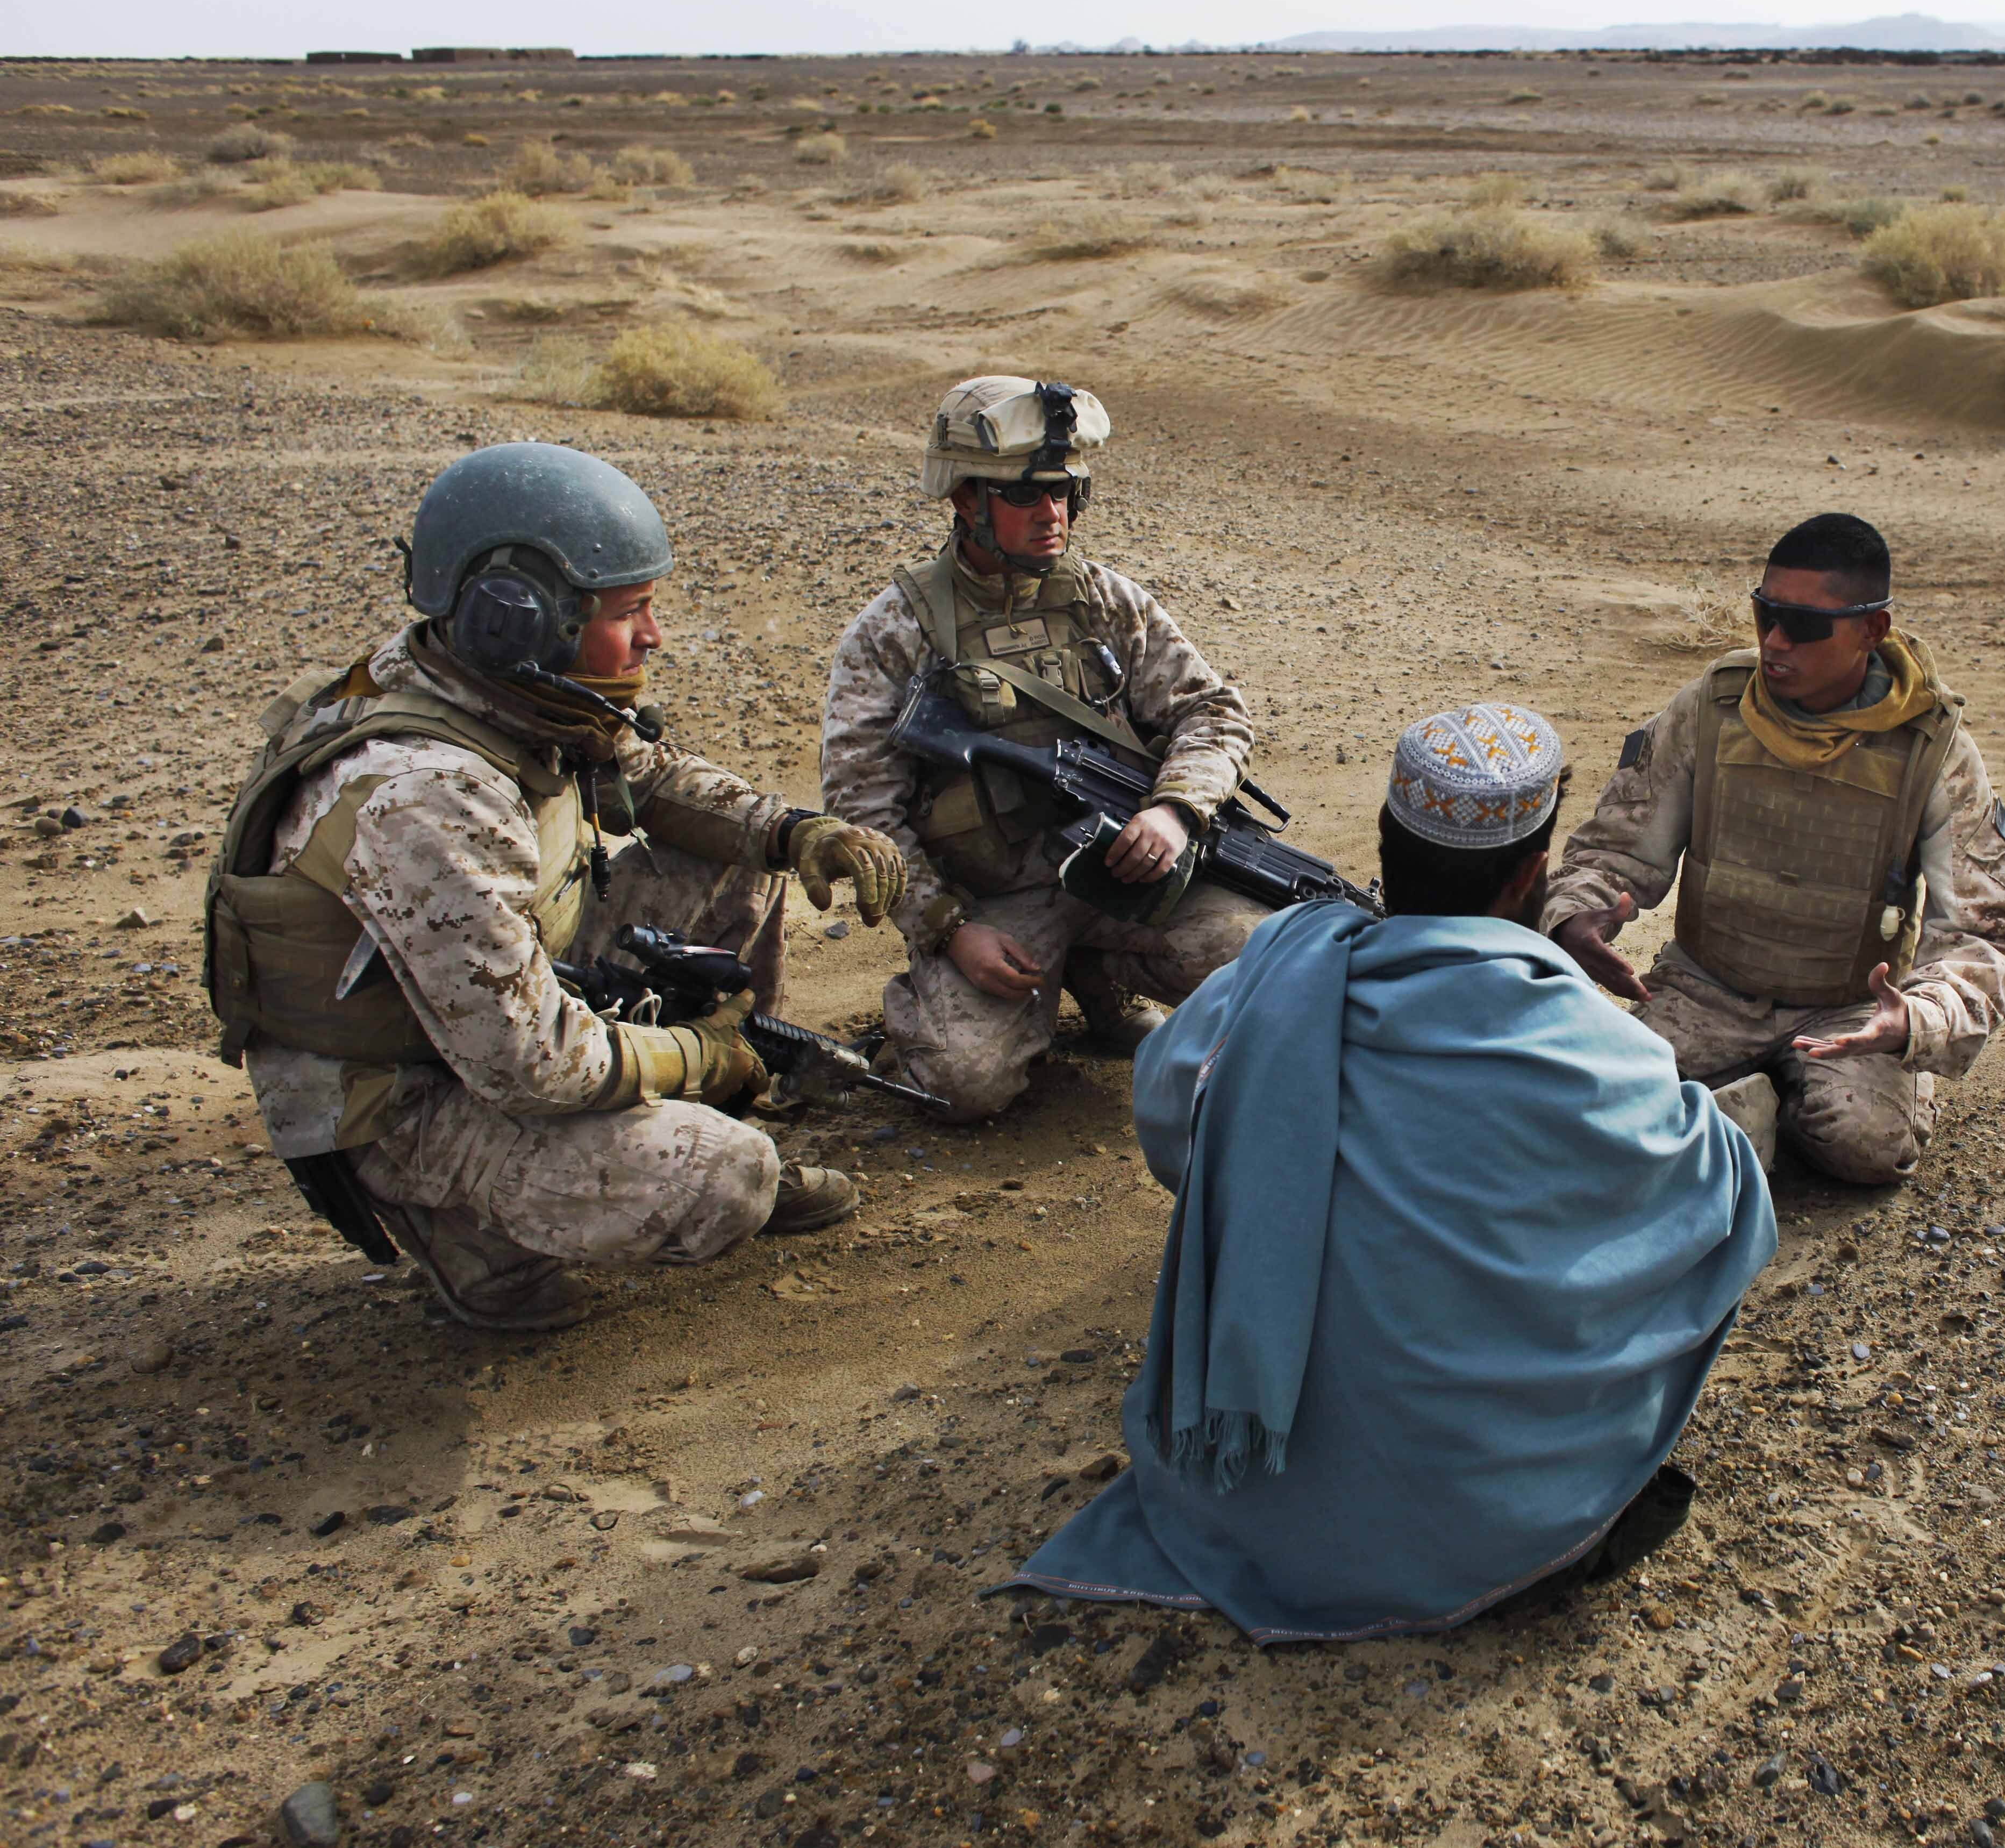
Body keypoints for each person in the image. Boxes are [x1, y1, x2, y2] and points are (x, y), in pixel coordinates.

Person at [1006, 704, 1776, 1643]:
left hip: (1244, 1486)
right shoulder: (1599, 1051)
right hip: (1487, 1523)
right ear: (1532, 874)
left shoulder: (1266, 982)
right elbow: (1710, 1205)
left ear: (1385, 838)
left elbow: (1174, 1128)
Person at [207, 443, 906, 1330]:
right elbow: (531, 1064)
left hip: (489, 990)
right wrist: (701, 1050)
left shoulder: (496, 682)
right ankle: (472, 1239)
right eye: (632, 611)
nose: (653, 635)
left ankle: (684, 1097)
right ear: (524, 618)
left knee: (736, 856)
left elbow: (649, 779)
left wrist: (794, 831)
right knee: (729, 1178)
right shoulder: (426, 796)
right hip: (397, 1087)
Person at [820, 376, 1260, 1121]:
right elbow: (860, 806)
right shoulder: (897, 630)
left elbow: (1212, 712)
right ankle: (947, 1001)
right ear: (966, 500)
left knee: (1269, 964)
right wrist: (949, 931)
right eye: (1025, 497)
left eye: (1064, 492)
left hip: (1124, 870)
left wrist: (1176, 812)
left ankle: (1096, 971)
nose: (1052, 515)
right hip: (996, 902)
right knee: (965, 1084)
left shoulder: (1107, 602)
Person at [1542, 513, 2005, 1185]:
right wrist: (1576, 914)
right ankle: (1744, 1104)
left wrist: (1915, 1018)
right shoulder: (1711, 708)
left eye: (1803, 625)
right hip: (1708, 989)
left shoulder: (1935, 753)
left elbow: (1982, 937)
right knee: (1594, 1115)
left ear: (1872, 629)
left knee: (1865, 1148)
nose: (1774, 641)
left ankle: (1773, 1104)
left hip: (1850, 1007)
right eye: (1766, 613)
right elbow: (1614, 850)